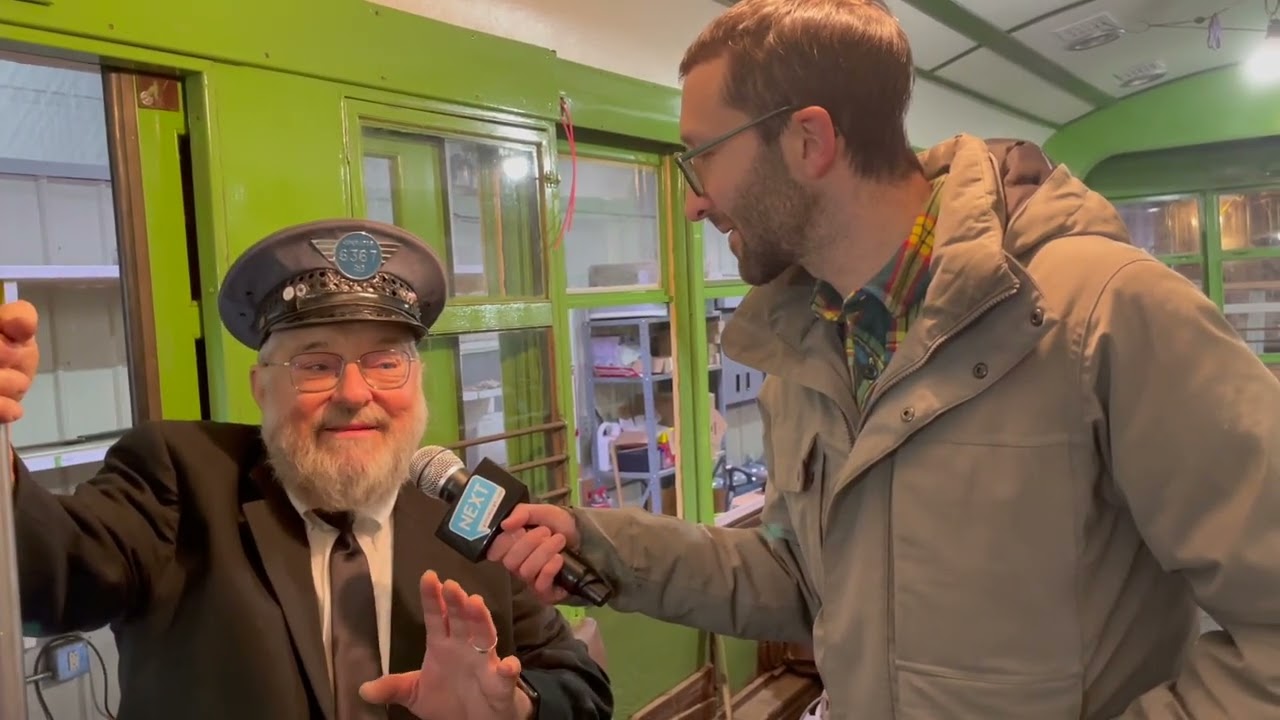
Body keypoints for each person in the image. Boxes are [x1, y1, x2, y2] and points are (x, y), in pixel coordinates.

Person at [485, 1, 1280, 718]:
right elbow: (803, 581)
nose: (694, 197)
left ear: (809, 140)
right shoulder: (808, 341)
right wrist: (601, 548)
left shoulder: (1104, 312)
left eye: (703, 156)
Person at [0, 218, 612, 720]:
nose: (353, 392)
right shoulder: (179, 477)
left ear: (417, 382)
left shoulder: (467, 517)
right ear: (262, 388)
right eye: (316, 365)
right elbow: (47, 579)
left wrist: (519, 708)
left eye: (384, 363)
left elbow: (582, 688)